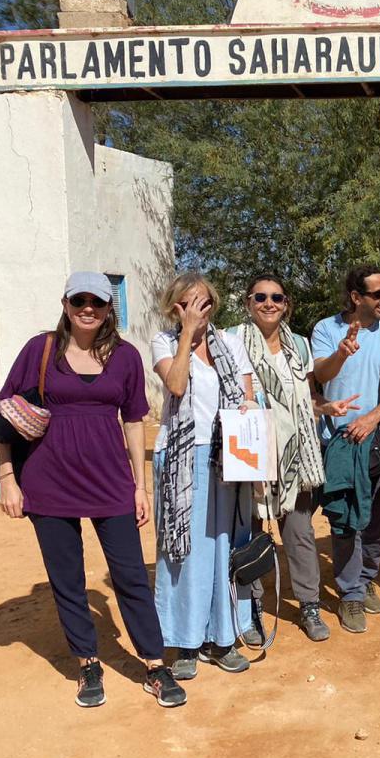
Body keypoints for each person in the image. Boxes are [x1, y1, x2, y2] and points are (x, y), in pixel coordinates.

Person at [0, 272, 185, 709]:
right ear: (65, 304)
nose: (87, 308)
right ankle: (88, 663)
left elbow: (133, 421)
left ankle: (155, 664)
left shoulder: (125, 356)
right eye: (78, 300)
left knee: (131, 576)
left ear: (108, 308)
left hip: (110, 482)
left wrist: (140, 487)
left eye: (96, 302)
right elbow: (4, 416)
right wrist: (7, 479)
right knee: (68, 580)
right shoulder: (40, 350)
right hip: (49, 483)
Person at [229, 274, 360, 643]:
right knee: (249, 532)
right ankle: (250, 608)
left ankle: (309, 605)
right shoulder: (231, 340)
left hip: (295, 455)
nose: (269, 303)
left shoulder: (299, 345)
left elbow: (307, 396)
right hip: (250, 452)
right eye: (260, 297)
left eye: (277, 297)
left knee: (299, 532)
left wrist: (326, 406)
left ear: (286, 304)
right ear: (248, 302)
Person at [152, 273, 257, 678]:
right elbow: (176, 385)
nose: (197, 311)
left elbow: (248, 397)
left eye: (204, 302)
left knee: (225, 545)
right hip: (182, 457)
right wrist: (187, 335)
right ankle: (186, 642)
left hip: (229, 455)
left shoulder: (230, 344)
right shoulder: (163, 342)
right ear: (174, 307)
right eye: (187, 303)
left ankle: (223, 638)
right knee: (185, 551)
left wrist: (248, 409)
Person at [312, 265, 380, 634]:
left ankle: (366, 577)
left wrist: (372, 418)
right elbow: (320, 375)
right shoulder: (326, 329)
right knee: (346, 519)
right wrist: (341, 353)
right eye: (377, 294)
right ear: (356, 298)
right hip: (339, 441)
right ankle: (350, 593)